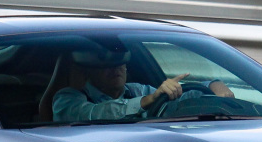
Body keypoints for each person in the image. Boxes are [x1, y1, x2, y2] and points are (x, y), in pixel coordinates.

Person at [51, 45, 233, 123]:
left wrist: (213, 86)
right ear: (90, 70)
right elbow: (94, 114)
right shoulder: (67, 98)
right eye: (107, 65)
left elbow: (180, 99)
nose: (116, 69)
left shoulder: (136, 90)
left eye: (120, 63)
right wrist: (149, 100)